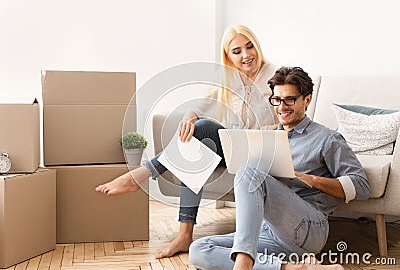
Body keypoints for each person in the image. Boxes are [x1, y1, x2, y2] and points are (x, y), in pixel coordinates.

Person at [95, 25, 280, 259]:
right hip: (236, 147)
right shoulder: (229, 82)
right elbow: (195, 107)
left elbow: (291, 119)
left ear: (257, 45)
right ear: (228, 56)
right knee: (196, 139)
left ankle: (140, 176)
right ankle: (184, 235)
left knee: (203, 130)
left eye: (249, 46)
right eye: (237, 51)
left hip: (264, 149)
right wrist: (188, 118)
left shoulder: (277, 76)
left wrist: (270, 129)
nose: (246, 55)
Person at [188, 67, 371, 270]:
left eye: (289, 100)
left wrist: (308, 179)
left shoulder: (328, 139)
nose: (281, 107)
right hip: (268, 232)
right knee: (199, 249)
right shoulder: (267, 138)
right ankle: (292, 268)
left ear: (307, 100)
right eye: (276, 100)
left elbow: (362, 186)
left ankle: (243, 264)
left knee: (249, 170)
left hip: (308, 228)